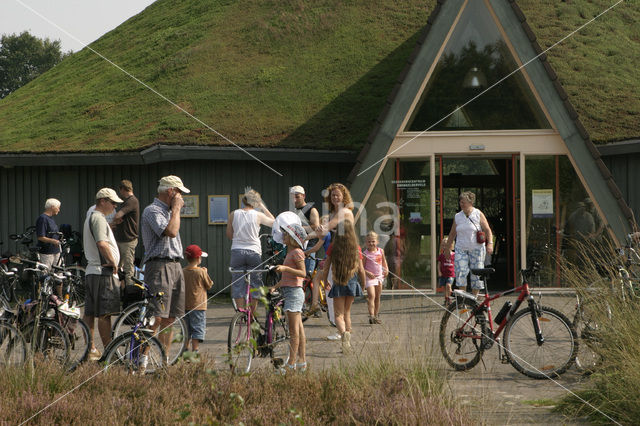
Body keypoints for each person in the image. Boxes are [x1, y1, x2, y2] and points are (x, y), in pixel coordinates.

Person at [140, 175, 189, 355]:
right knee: (157, 316)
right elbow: (171, 231)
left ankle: (164, 360)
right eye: (179, 194)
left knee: (170, 318)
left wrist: (174, 210)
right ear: (171, 191)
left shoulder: (169, 212)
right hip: (159, 266)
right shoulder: (153, 211)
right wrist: (176, 209)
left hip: (175, 265)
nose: (181, 199)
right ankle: (142, 362)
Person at [82, 188, 123, 360]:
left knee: (90, 313)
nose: (114, 206)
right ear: (102, 201)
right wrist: (113, 262)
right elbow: (102, 243)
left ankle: (89, 350)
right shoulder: (98, 218)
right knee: (105, 314)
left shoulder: (91, 217)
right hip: (102, 271)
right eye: (112, 202)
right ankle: (109, 353)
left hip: (93, 271)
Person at [318, 220, 365, 354]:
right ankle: (347, 342)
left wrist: (324, 280)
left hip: (338, 282)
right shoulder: (356, 247)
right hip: (352, 283)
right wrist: (363, 283)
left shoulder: (333, 247)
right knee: (347, 313)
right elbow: (361, 269)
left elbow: (326, 266)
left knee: (338, 314)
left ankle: (344, 334)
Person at [226, 189, 275, 311]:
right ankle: (251, 315)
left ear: (244, 201)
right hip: (253, 252)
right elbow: (274, 222)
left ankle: (241, 312)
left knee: (237, 282)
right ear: (256, 202)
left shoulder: (233, 214)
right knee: (255, 282)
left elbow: (229, 234)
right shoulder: (258, 215)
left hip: (237, 251)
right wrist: (263, 207)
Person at [270, 223, 307, 372]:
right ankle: (302, 361)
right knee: (299, 330)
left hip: (294, 294)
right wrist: (275, 287)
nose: (283, 236)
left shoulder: (297, 252)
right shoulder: (290, 253)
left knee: (293, 332)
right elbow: (287, 278)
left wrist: (285, 267)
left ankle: (291, 363)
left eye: (286, 234)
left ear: (293, 238)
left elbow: (303, 273)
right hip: (289, 291)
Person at [444, 192, 493, 297]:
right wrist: (447, 248)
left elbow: (487, 230)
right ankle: (464, 298)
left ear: (470, 202)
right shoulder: (458, 216)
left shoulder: (477, 214)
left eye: (463, 202)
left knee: (476, 273)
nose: (461, 204)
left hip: (477, 249)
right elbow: (452, 233)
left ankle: (474, 298)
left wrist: (490, 244)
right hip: (461, 248)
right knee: (461, 272)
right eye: (460, 202)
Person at [183, 244, 213, 353]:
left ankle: (185, 349)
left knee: (186, 330)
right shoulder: (201, 272)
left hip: (185, 306)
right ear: (198, 258)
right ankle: (195, 350)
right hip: (198, 307)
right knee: (197, 329)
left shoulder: (183, 271)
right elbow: (209, 285)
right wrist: (205, 272)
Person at [112, 179, 140, 290]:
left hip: (128, 240)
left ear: (123, 189)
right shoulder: (127, 201)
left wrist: (115, 220)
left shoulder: (131, 201)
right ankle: (120, 290)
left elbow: (118, 215)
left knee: (128, 269)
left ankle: (130, 293)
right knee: (118, 267)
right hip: (122, 239)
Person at [291, 185, 320, 275]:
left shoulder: (311, 210)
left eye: (297, 197)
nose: (294, 199)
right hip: (296, 247)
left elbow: (316, 227)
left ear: (303, 196)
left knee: (307, 275)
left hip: (309, 246)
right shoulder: (292, 211)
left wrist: (299, 228)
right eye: (292, 197)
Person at [363, 231, 387, 324]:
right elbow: (361, 267)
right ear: (366, 242)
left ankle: (376, 315)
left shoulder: (381, 251)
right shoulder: (365, 253)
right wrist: (367, 272)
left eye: (373, 241)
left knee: (377, 296)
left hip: (379, 277)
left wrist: (387, 269)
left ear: (377, 242)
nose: (371, 243)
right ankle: (371, 316)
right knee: (371, 296)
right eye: (369, 242)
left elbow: (384, 261)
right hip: (370, 278)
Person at [35, 198, 62, 269]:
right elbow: (40, 237)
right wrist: (53, 241)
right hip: (47, 252)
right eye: (58, 208)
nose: (59, 210)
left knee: (57, 273)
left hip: (56, 251)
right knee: (46, 273)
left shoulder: (51, 218)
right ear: (52, 207)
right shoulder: (43, 219)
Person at [437, 236, 456, 305]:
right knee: (444, 288)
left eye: (446, 245)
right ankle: (446, 298)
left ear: (451, 246)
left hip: (451, 274)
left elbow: (456, 264)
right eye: (443, 245)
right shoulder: (441, 256)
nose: (445, 247)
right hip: (443, 274)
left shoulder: (454, 255)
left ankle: (450, 296)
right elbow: (439, 264)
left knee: (448, 286)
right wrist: (439, 272)